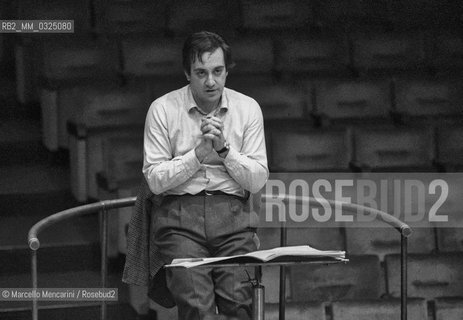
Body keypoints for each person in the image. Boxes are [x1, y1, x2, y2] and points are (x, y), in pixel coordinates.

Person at [141, 31, 269, 319]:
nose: (211, 81)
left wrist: (224, 150)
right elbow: (154, 179)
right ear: (187, 73)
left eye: (217, 71)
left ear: (227, 71)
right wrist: (197, 155)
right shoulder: (162, 109)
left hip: (233, 216)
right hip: (179, 219)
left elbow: (258, 179)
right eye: (201, 72)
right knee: (197, 309)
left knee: (239, 307)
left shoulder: (248, 109)